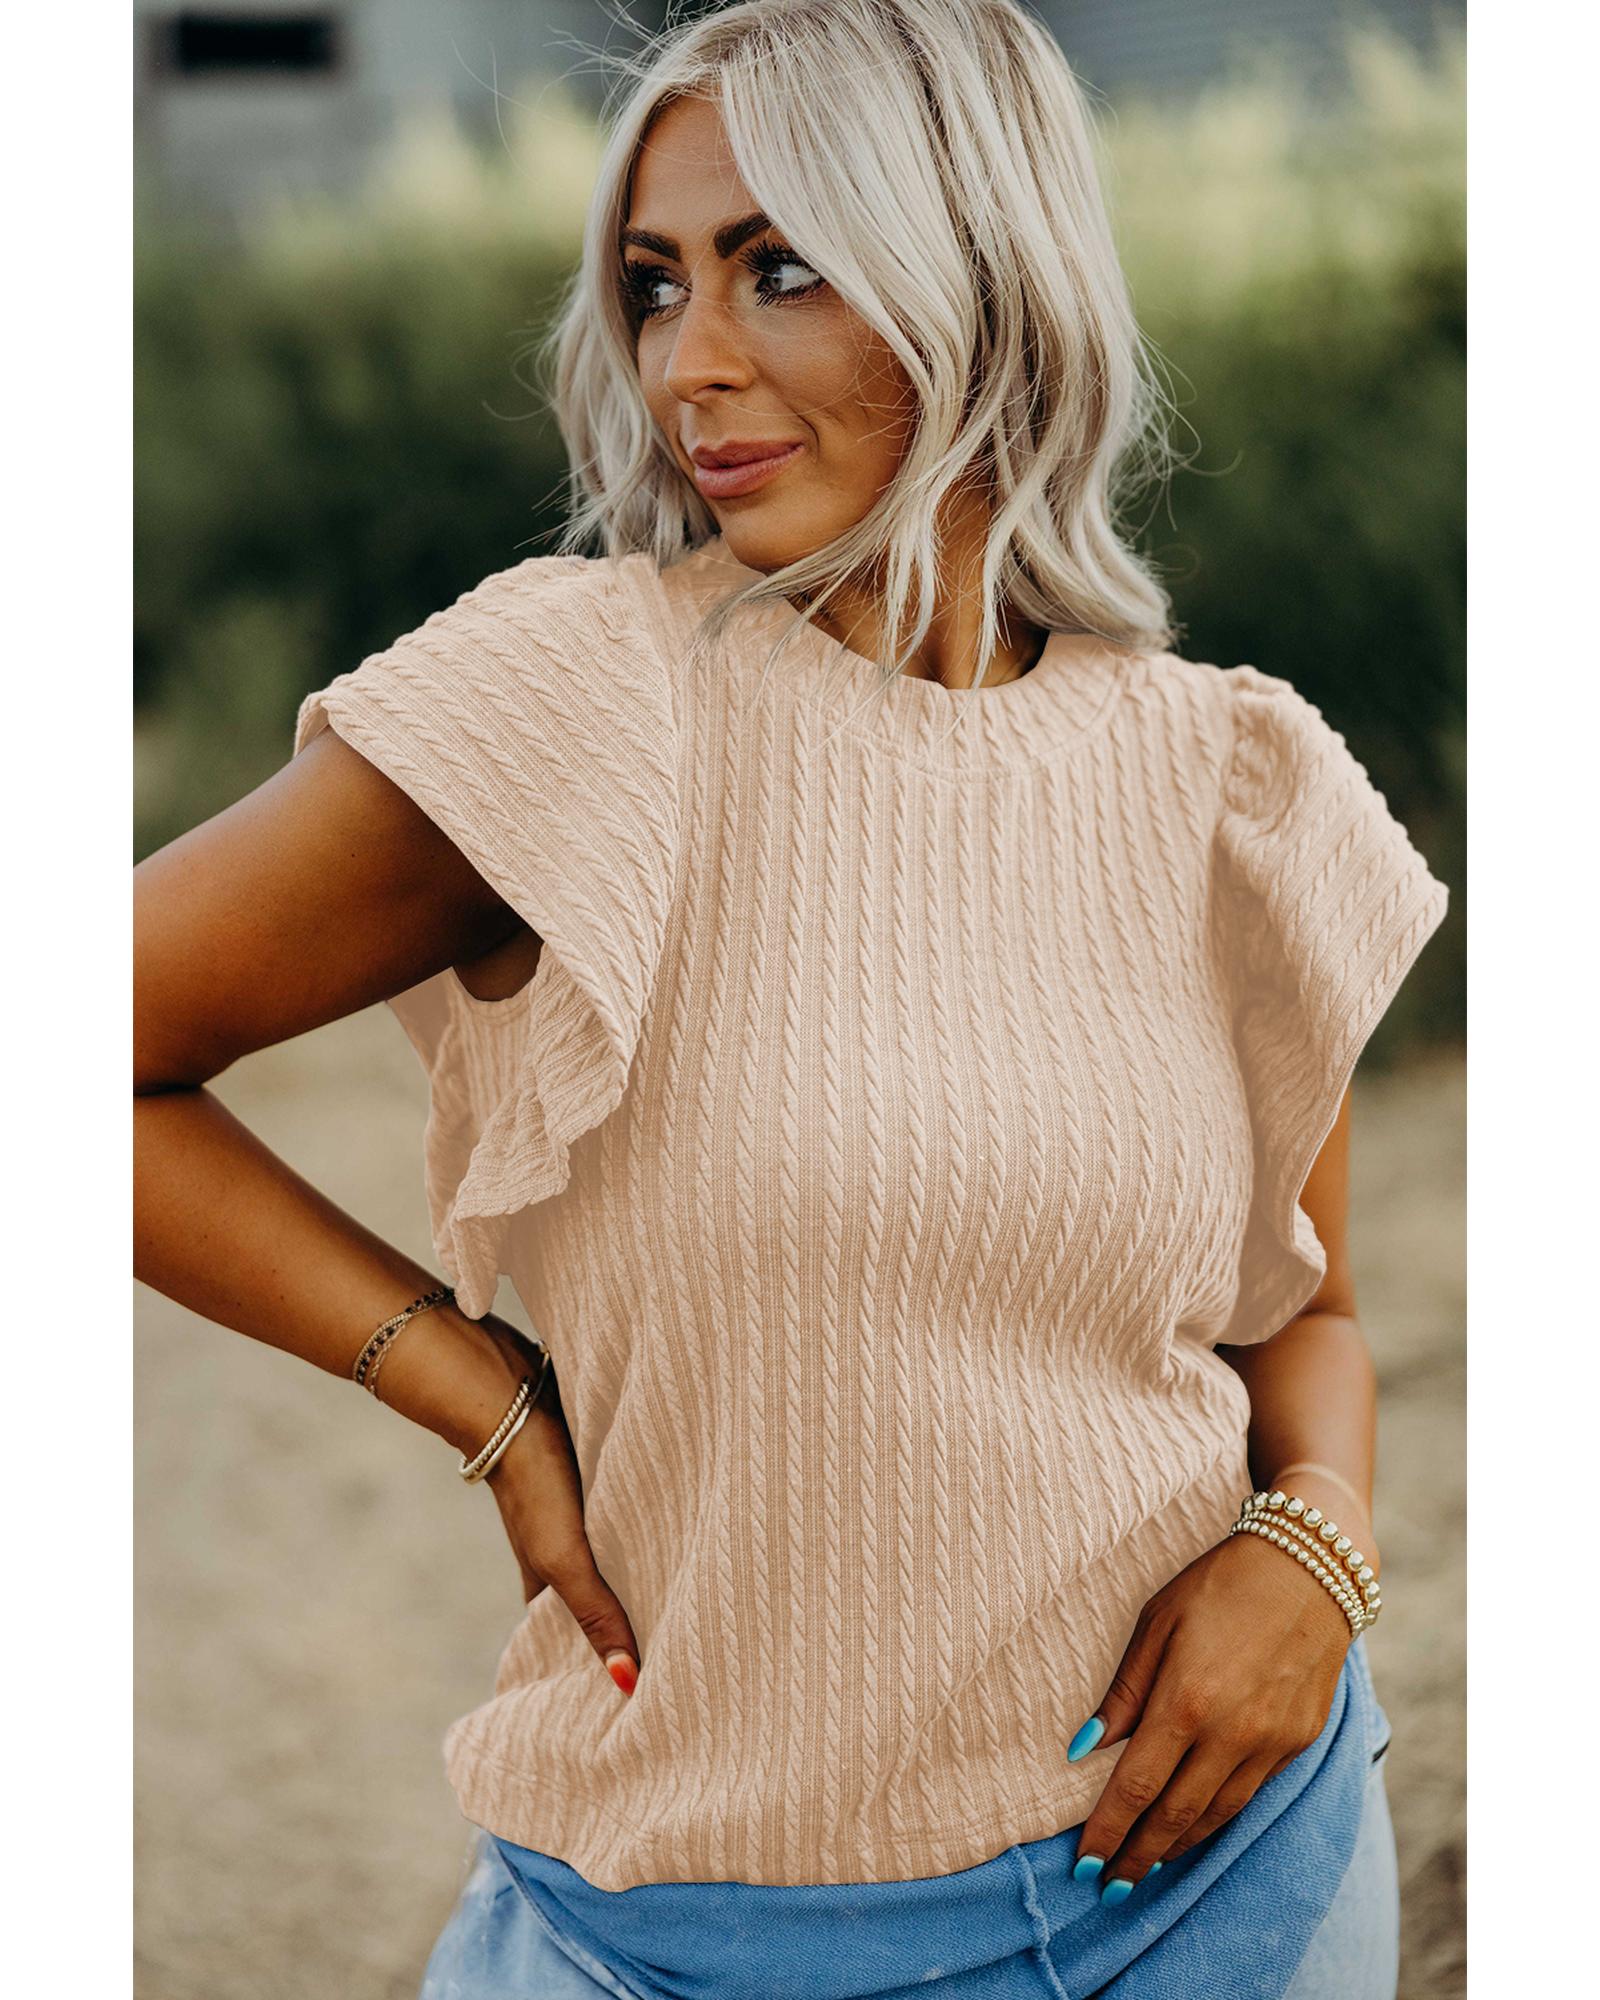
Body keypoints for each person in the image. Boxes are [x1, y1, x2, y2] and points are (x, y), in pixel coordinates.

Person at [133, 2, 1448, 1993]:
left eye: (783, 269)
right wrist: (474, 1391)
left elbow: (1306, 1316)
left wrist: (1316, 1545)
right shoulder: (577, 703)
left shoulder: (1232, 781)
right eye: (655, 284)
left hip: (1219, 1895)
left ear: (985, 277)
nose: (690, 363)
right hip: (668, 1937)